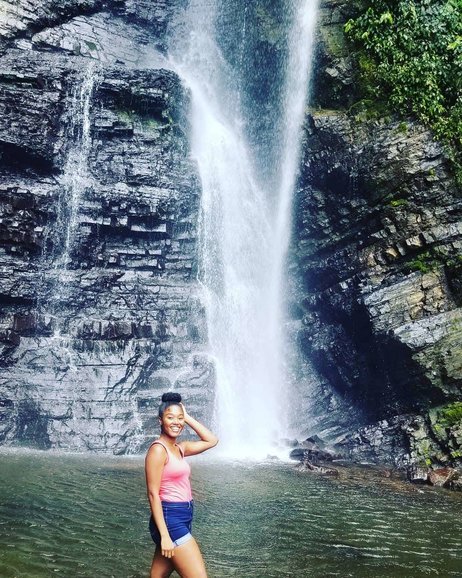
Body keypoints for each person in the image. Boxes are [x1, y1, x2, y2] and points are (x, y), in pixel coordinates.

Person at [145, 392, 218, 578]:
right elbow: (153, 494)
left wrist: (187, 416)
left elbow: (212, 440)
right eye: (170, 417)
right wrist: (165, 536)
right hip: (170, 519)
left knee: (158, 576)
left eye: (179, 418)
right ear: (160, 420)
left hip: (184, 515)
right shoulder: (158, 450)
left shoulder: (180, 448)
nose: (176, 422)